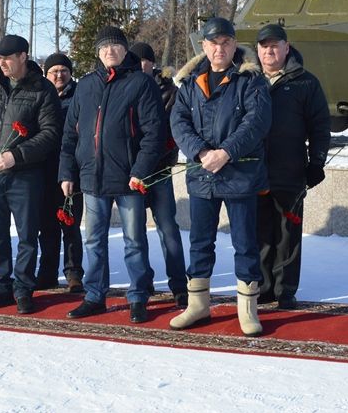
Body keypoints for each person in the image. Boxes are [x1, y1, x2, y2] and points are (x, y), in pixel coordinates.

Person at [169, 17, 271, 336]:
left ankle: (247, 309)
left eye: (226, 42)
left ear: (234, 44)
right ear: (203, 46)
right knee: (200, 242)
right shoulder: (190, 83)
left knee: (245, 243)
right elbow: (179, 122)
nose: (219, 49)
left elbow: (256, 123)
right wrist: (201, 152)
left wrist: (225, 152)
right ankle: (198, 305)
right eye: (213, 43)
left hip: (239, 174)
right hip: (202, 176)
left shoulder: (250, 80)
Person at [60, 27, 164, 324]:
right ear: (97, 52)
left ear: (125, 49)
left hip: (129, 179)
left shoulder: (141, 83)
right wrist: (67, 171)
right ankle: (94, 295)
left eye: (115, 46)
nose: (110, 51)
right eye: (104, 47)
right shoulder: (85, 86)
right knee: (94, 241)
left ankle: (138, 295)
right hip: (92, 179)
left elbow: (153, 134)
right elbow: (70, 134)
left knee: (134, 240)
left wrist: (140, 170)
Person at [0, 35, 60, 315]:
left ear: (23, 56)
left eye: (7, 57)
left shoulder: (42, 89)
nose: (2, 63)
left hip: (25, 175)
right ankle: (1, 286)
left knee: (28, 235)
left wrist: (15, 155)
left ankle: (23, 289)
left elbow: (50, 133)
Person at [254, 24, 330, 309]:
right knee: (260, 231)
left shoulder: (306, 83)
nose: (269, 51)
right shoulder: (249, 80)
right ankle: (263, 286)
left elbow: (320, 127)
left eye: (275, 45)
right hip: (255, 171)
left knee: (287, 232)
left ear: (287, 47)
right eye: (264, 46)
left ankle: (285, 289)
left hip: (290, 170)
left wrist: (316, 162)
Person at [129, 41, 187, 308]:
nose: (141, 65)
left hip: (159, 170)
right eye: (137, 60)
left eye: (146, 60)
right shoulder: (127, 88)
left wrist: (153, 158)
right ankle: (144, 281)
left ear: (153, 63)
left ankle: (178, 284)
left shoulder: (171, 92)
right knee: (135, 231)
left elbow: (174, 132)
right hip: (133, 173)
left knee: (168, 228)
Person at [36, 51, 83, 293]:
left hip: (72, 171)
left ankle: (74, 273)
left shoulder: (79, 97)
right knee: (47, 226)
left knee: (71, 226)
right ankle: (47, 272)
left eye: (64, 70)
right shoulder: (42, 95)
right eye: (54, 71)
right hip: (44, 171)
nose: (59, 75)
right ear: (47, 73)